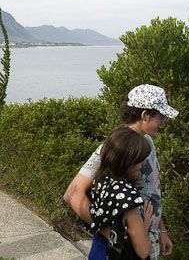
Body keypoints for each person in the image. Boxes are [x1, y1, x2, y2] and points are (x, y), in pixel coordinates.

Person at [64, 84, 177, 259]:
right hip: (128, 250)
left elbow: (150, 191)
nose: (164, 122)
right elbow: (73, 194)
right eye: (161, 116)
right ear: (145, 115)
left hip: (147, 242)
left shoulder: (147, 143)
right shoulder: (115, 148)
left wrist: (161, 230)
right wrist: (114, 236)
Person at [87, 126, 154, 259]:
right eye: (139, 161)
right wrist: (145, 224)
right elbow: (143, 251)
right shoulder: (127, 196)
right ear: (126, 162)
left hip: (99, 251)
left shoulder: (100, 180)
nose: (144, 164)